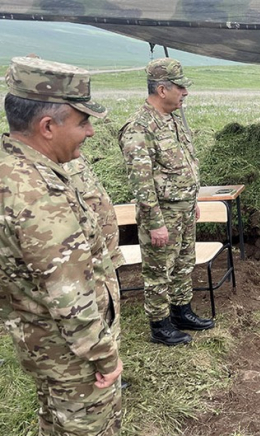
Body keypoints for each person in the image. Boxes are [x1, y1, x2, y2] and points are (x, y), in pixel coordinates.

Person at [0, 56, 122, 435]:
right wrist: (104, 357)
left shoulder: (13, 168)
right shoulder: (39, 195)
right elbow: (69, 295)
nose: (89, 132)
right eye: (82, 122)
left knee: (54, 423)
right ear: (47, 126)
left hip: (41, 344)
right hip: (72, 357)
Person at [118, 58, 214, 347]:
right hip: (162, 214)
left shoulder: (172, 119)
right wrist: (156, 221)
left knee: (184, 263)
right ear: (162, 89)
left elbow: (181, 164)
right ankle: (160, 325)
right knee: (160, 270)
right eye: (181, 87)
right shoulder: (139, 127)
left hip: (183, 208)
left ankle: (181, 311)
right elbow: (141, 181)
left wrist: (191, 198)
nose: (185, 93)